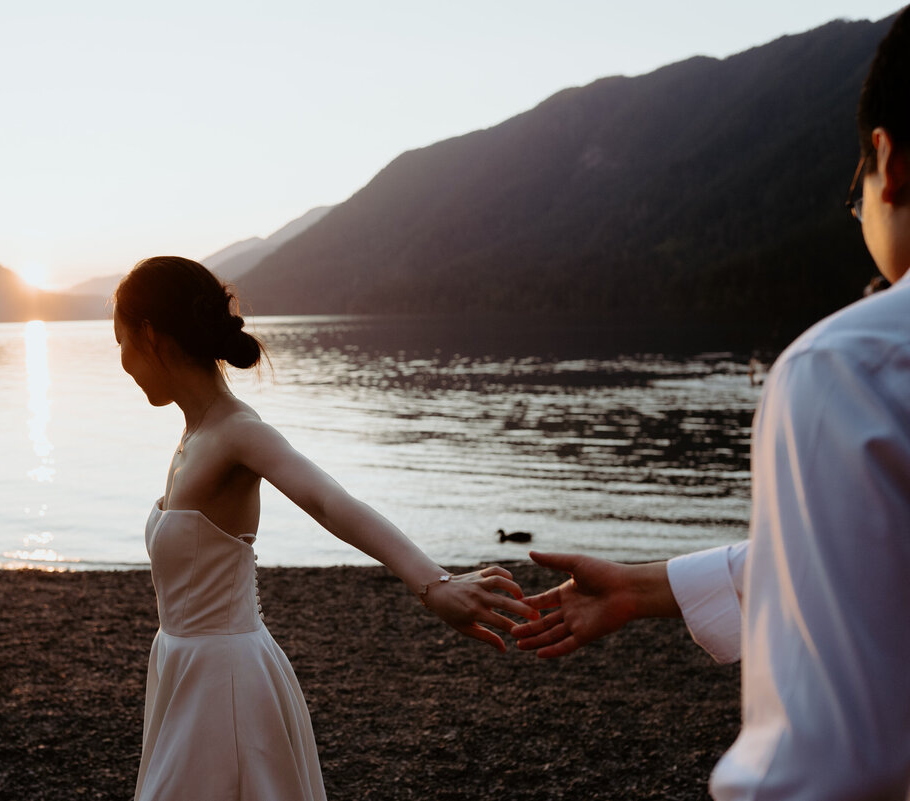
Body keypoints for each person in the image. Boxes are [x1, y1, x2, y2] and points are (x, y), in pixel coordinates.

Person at [511, 9, 910, 799]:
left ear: (887, 161)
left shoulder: (851, 368)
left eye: (853, 195)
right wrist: (640, 587)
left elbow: (828, 766)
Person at [113, 256, 536, 801]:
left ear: (150, 335)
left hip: (226, 681)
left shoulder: (237, 431)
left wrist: (434, 584)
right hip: (180, 667)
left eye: (120, 341)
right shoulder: (193, 437)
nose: (120, 360)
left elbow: (330, 502)